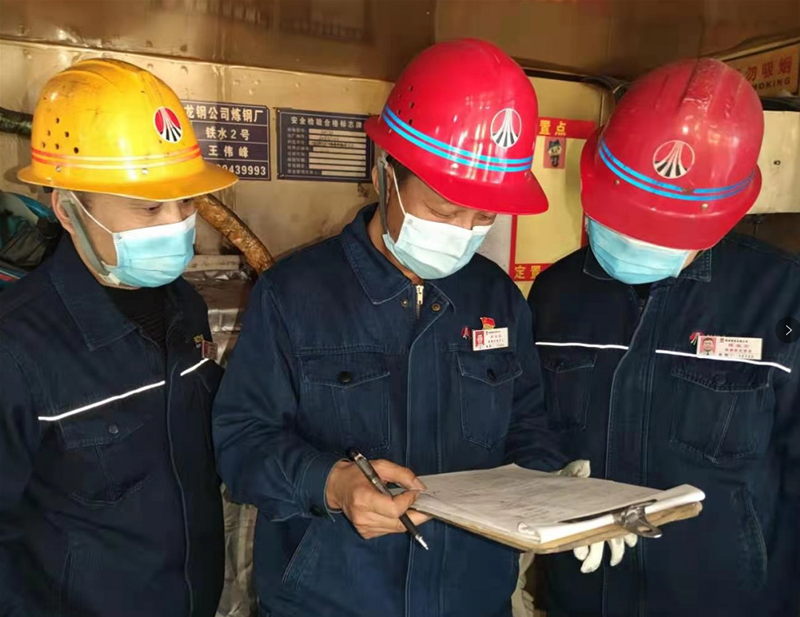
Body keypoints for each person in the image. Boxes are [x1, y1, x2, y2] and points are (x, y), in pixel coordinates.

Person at [212, 39, 568, 617]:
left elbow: (528, 423)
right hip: (332, 601)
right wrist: (331, 484)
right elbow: (241, 441)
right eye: (444, 210)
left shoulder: (497, 297)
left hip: (471, 598)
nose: (463, 231)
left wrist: (554, 492)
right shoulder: (294, 295)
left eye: (483, 216)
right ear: (385, 173)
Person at [528, 59, 800, 617]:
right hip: (580, 598)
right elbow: (528, 424)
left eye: (663, 226)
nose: (635, 238)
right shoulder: (557, 293)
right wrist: (542, 481)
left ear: (720, 218)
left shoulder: (781, 301)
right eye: (624, 215)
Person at [0, 59, 237, 617]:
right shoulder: (16, 348)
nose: (177, 223)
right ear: (68, 209)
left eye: (186, 202)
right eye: (150, 206)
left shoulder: (185, 306)